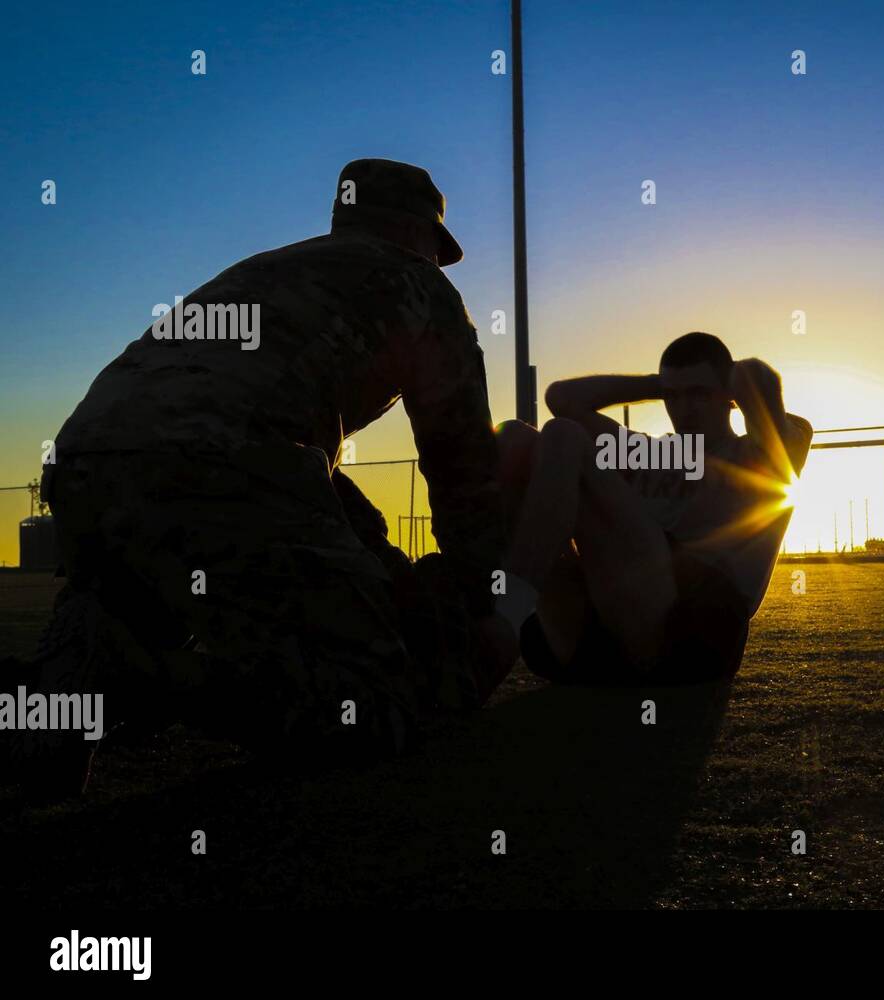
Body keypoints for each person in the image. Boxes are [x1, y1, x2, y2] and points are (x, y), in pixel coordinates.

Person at [7, 158, 515, 797]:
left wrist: (378, 559)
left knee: (133, 587)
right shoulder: (417, 285)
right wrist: (478, 597)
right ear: (419, 236)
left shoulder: (268, 270)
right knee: (375, 706)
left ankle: (62, 695)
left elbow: (294, 459)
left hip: (85, 462)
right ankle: (146, 681)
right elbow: (462, 463)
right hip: (224, 463)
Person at [492, 333, 813, 684]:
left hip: (694, 632)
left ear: (729, 397)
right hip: (602, 632)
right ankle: (504, 607)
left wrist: (726, 377)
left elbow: (755, 378)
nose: (685, 408)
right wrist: (655, 385)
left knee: (564, 437)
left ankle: (503, 616)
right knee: (514, 440)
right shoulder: (651, 453)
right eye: (674, 397)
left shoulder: (760, 455)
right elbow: (562, 397)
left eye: (699, 394)